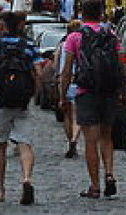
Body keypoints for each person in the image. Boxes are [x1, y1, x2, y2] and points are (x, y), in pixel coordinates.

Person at [60, 0, 126, 199]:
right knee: (107, 137)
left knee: (91, 140)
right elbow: (121, 66)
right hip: (109, 90)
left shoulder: (75, 37)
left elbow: (66, 71)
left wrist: (63, 95)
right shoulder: (112, 35)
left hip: (86, 91)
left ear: (82, 13)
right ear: (101, 13)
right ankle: (109, 174)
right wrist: (124, 91)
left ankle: (95, 186)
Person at [0, 10, 44, 204]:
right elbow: (39, 72)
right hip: (22, 101)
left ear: (4, 26)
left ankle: (1, 190)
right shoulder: (29, 46)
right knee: (24, 142)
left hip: (1, 101)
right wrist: (33, 93)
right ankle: (26, 179)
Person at [56, 19, 83, 158]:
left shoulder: (62, 45)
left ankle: (69, 140)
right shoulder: (83, 43)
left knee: (67, 115)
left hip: (66, 81)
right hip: (79, 81)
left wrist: (59, 81)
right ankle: (74, 139)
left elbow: (57, 66)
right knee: (77, 116)